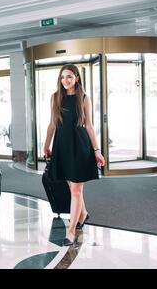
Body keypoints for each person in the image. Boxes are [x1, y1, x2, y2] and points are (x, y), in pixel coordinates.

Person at [43, 64, 105, 246]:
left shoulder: (84, 98)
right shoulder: (55, 98)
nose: (65, 81)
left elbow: (89, 127)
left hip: (80, 146)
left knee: (76, 189)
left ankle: (71, 230)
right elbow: (52, 124)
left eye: (69, 77)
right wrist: (46, 145)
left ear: (77, 78)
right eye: (63, 77)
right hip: (62, 146)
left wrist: (96, 150)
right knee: (72, 187)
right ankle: (83, 214)